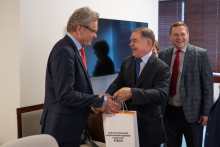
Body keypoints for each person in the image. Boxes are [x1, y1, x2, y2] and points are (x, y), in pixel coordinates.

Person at [40, 6, 121, 147]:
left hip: (68, 127)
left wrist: (87, 106)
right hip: (61, 131)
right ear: (79, 28)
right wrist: (100, 101)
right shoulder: (64, 50)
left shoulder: (73, 49)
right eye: (93, 31)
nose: (95, 35)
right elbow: (65, 94)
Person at [104, 27, 170, 147]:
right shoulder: (127, 62)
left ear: (148, 42)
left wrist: (132, 92)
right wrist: (107, 96)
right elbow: (117, 83)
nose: (130, 44)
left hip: (149, 129)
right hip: (125, 125)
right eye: (131, 40)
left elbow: (161, 95)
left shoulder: (161, 67)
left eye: (134, 40)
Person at [158, 21, 213, 147]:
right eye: (175, 34)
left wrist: (205, 113)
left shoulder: (201, 54)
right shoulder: (162, 55)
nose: (179, 37)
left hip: (193, 113)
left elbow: (208, 87)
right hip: (169, 112)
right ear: (170, 36)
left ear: (188, 34)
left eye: (182, 34)